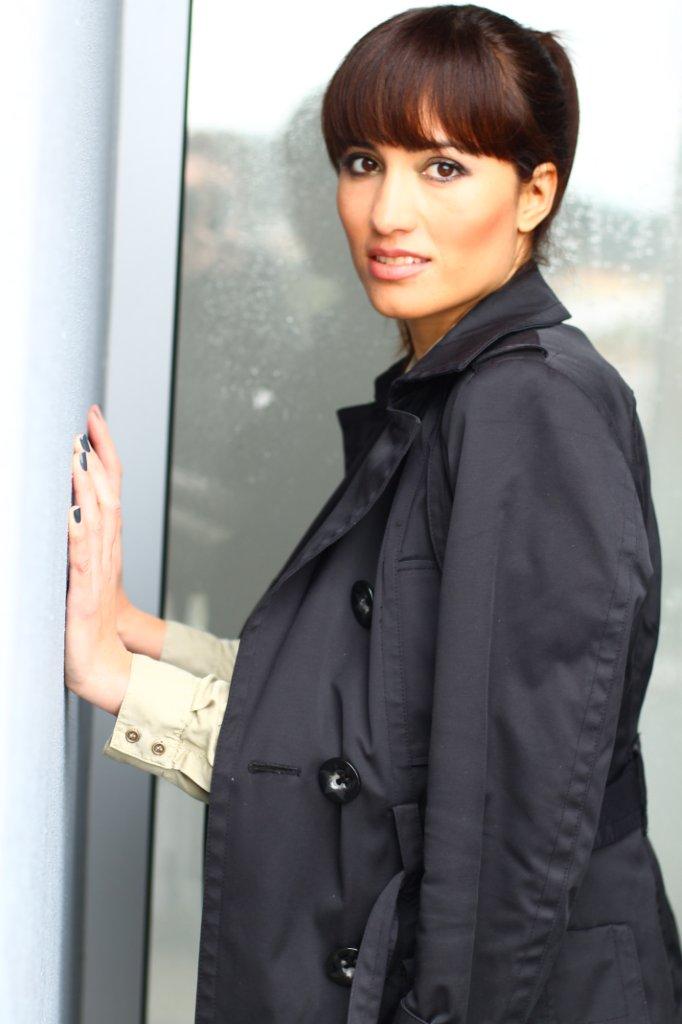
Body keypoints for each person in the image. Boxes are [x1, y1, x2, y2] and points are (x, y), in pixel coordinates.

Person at [63, 4, 682, 1022]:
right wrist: (141, 637)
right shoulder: (459, 391)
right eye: (363, 162)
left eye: (442, 167)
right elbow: (381, 711)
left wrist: (119, 678)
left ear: (535, 192)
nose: (389, 211)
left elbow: (501, 817)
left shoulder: (526, 405)